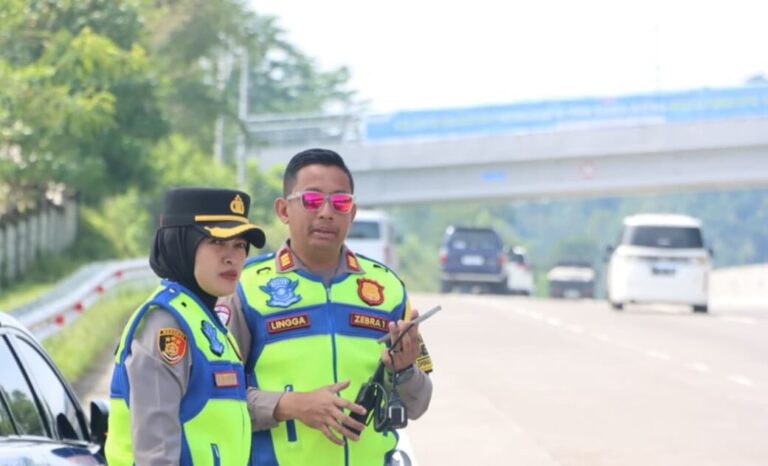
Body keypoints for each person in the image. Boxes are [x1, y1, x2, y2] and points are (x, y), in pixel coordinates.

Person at [218, 148, 434, 466]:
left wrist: (404, 371)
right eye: (312, 200)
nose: (327, 213)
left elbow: (418, 404)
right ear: (283, 210)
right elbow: (212, 398)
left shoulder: (387, 289)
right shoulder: (244, 289)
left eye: (340, 202)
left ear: (353, 212)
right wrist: (288, 405)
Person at [105, 187, 266, 466]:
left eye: (239, 245)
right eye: (217, 242)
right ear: (181, 244)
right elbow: (157, 456)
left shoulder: (205, 321)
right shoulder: (167, 325)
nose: (232, 257)